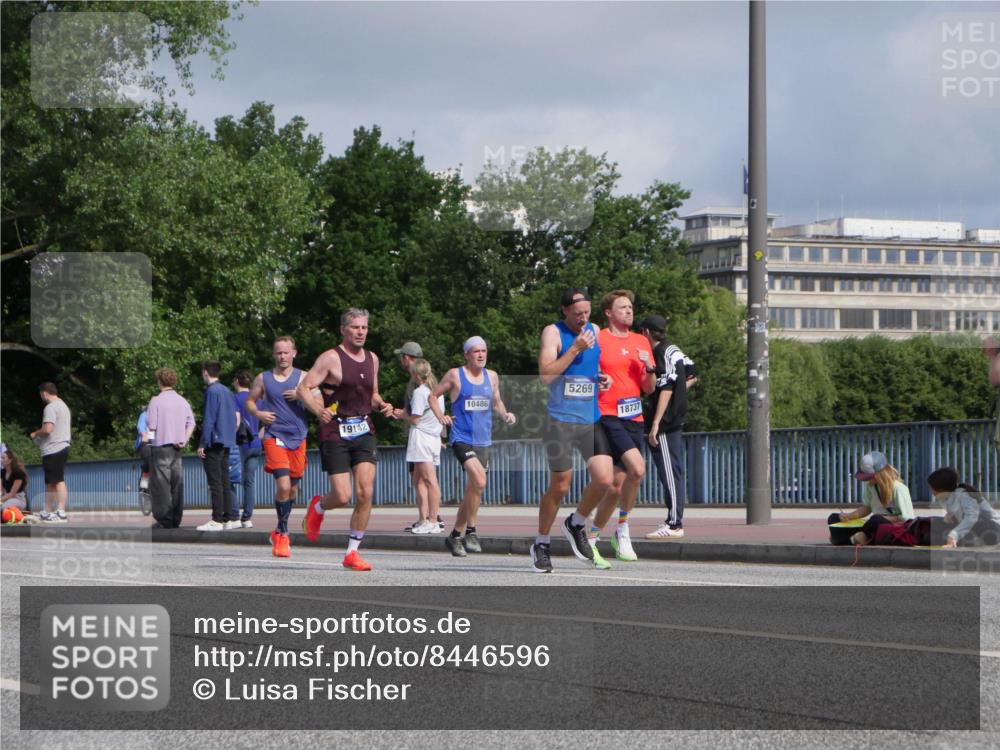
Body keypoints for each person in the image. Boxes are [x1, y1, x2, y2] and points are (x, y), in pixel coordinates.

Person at [298, 309, 395, 571]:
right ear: (343, 330)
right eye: (355, 327)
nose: (361, 332)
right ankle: (318, 506)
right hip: (335, 431)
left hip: (363, 429)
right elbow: (303, 388)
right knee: (342, 495)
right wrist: (318, 410)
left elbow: (372, 394)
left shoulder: (372, 358)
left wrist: (382, 404)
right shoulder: (331, 358)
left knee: (366, 492)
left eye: (364, 327)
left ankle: (352, 552)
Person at [534, 288, 614, 572]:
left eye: (587, 313)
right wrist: (575, 349)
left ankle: (576, 522)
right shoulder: (552, 333)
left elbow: (589, 371)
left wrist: (601, 380)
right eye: (577, 314)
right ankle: (541, 542)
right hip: (560, 421)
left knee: (605, 479)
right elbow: (546, 376)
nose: (583, 319)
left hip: (589, 419)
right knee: (561, 485)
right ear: (564, 311)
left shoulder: (595, 330)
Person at [432, 336, 515, 558]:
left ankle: (455, 536)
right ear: (467, 354)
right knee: (480, 480)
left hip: (483, 440)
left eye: (484, 351)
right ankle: (471, 531)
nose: (481, 355)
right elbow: (433, 396)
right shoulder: (455, 375)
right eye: (476, 351)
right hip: (461, 438)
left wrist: (505, 414)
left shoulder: (492, 376)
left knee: (473, 490)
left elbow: (496, 401)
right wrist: (441, 416)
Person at [589, 291, 656, 562]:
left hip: (634, 417)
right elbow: (584, 372)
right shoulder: (599, 339)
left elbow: (648, 389)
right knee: (637, 468)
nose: (629, 311)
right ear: (608, 313)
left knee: (616, 486)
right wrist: (596, 379)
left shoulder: (641, 341)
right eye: (622, 307)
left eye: (630, 307)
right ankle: (624, 527)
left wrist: (650, 368)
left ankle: (592, 537)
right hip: (607, 414)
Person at [246, 336, 310, 558]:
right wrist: (259, 413)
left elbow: (319, 403)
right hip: (275, 436)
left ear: (294, 353)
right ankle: (283, 532)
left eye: (286, 352)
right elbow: (250, 401)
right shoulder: (263, 378)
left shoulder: (304, 377)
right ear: (274, 355)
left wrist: (303, 395)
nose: (282, 357)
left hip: (298, 437)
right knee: (283, 486)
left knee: (292, 489)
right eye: (278, 353)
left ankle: (279, 529)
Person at [639, 315, 698, 539]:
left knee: (670, 473)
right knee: (675, 470)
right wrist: (680, 395)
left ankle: (674, 523)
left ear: (645, 332)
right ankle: (674, 520)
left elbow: (666, 387)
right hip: (677, 417)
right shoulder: (674, 349)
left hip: (664, 421)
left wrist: (655, 423)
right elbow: (693, 374)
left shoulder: (658, 353)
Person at [146, 368, 195, 529]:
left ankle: (164, 518)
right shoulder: (183, 401)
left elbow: (151, 425)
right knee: (176, 483)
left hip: (161, 446)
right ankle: (176, 518)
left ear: (159, 381)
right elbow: (191, 423)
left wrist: (148, 444)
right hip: (177, 447)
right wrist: (184, 440)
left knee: (161, 484)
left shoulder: (156, 400)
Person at [402, 358, 445, 534]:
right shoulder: (436, 392)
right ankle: (424, 518)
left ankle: (433, 520)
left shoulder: (420, 392)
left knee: (429, 480)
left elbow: (416, 418)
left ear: (414, 374)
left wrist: (401, 415)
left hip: (422, 438)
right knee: (419, 480)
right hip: (433, 437)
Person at [196, 362, 240, 532]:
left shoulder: (211, 391)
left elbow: (209, 418)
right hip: (227, 440)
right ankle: (229, 517)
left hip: (214, 440)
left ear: (205, 372)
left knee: (214, 481)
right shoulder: (227, 391)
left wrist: (203, 443)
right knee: (225, 480)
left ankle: (217, 518)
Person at [834, 451, 914, 544]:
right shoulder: (870, 486)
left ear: (880, 475)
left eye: (869, 477)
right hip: (873, 524)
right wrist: (848, 516)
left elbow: (907, 518)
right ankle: (857, 537)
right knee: (834, 518)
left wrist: (883, 518)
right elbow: (867, 508)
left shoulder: (898, 488)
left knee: (875, 520)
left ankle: (857, 537)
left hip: (893, 526)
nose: (866, 480)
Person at [928, 467, 1000, 548]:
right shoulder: (945, 498)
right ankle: (964, 541)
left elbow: (972, 518)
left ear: (942, 489)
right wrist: (948, 518)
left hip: (991, 527)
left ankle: (974, 541)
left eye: (932, 489)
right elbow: (959, 516)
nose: (932, 492)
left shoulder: (964, 495)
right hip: (972, 528)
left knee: (974, 523)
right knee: (936, 522)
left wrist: (954, 535)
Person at [31, 382, 71, 522]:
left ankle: (61, 512)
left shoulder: (51, 407)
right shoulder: (63, 406)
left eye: (41, 394)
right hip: (61, 446)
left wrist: (36, 433)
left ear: (44, 393)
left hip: (54, 447)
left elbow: (48, 429)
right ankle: (47, 511)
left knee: (58, 480)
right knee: (51, 482)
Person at [233, 369, 263, 528]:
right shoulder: (257, 400)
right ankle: (247, 517)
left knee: (231, 478)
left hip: (240, 444)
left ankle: (233, 515)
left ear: (237, 382)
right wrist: (258, 435)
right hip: (256, 444)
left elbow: (235, 421)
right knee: (249, 482)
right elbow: (268, 420)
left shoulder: (234, 399)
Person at [1, 448, 29, 512]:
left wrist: (1, 499)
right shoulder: (2, 472)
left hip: (18, 499)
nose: (1, 460)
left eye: (3, 458)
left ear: (10, 460)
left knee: (2, 507)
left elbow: (12, 494)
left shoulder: (18, 473)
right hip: (6, 498)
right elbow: (1, 490)